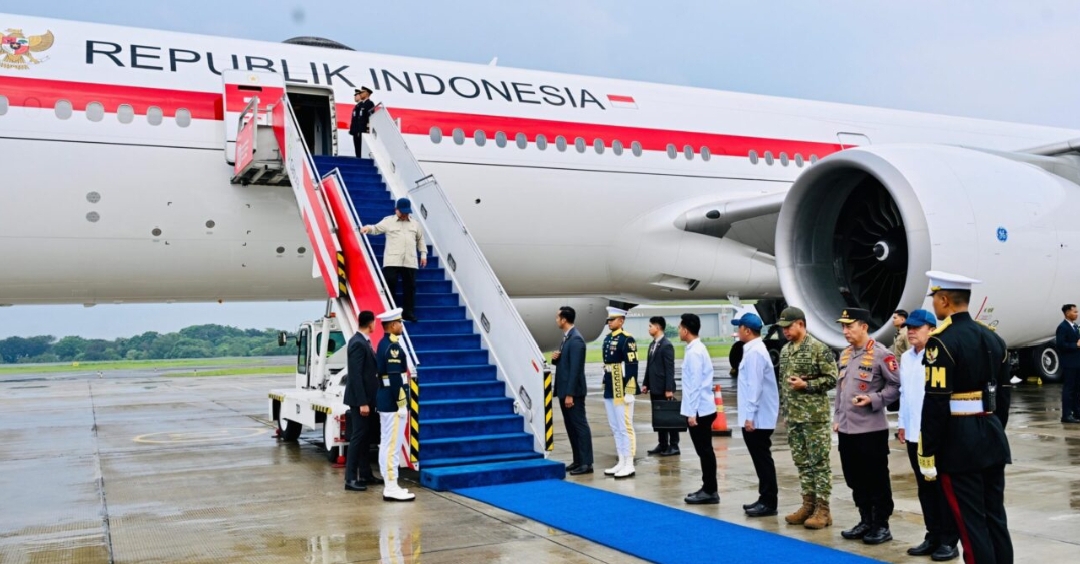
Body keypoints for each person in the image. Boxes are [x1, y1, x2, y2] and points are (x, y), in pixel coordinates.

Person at [919, 271, 1013, 563]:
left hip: (959, 442)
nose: (934, 303)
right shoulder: (993, 338)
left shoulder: (940, 342)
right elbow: (1005, 394)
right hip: (991, 432)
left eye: (935, 297)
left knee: (970, 523)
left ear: (945, 300)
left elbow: (936, 403)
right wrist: (994, 426)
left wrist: (928, 450)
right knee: (995, 516)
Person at [834, 307, 901, 545]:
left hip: (871, 430)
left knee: (876, 478)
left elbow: (895, 387)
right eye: (843, 326)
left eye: (849, 326)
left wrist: (873, 399)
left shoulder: (882, 354)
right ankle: (865, 519)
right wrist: (837, 418)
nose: (845, 331)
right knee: (854, 478)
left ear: (864, 327)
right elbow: (841, 391)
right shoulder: (845, 355)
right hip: (847, 429)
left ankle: (881, 524)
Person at [897, 309, 959, 561]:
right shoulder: (906, 358)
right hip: (914, 433)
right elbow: (904, 393)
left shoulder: (937, 356)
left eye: (916, 327)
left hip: (935, 434)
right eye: (908, 327)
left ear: (931, 329)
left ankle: (949, 540)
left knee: (943, 488)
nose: (910, 331)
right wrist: (902, 423)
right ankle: (932, 534)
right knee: (924, 488)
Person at [776, 306, 837, 530]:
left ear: (800, 324)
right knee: (802, 463)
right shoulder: (785, 351)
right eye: (782, 328)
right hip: (794, 418)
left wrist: (807, 385)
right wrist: (786, 412)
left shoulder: (818, 348)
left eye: (788, 327)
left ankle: (823, 509)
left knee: (819, 463)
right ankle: (808, 504)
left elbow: (832, 378)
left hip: (814, 418)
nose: (785, 332)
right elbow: (784, 385)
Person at [733, 312, 780, 517]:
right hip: (756, 416)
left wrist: (749, 417)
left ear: (747, 330)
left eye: (739, 327)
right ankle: (764, 497)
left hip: (758, 418)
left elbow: (755, 387)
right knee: (760, 459)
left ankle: (769, 501)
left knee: (762, 459)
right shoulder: (752, 350)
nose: (737, 331)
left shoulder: (755, 353)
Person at [361, 198, 427, 322]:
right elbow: (376, 228)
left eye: (407, 212)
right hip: (392, 260)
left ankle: (408, 313)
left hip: (410, 261)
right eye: (402, 212)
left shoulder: (415, 223)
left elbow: (420, 240)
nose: (405, 215)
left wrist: (423, 254)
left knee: (410, 287)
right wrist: (367, 228)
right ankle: (391, 313)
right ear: (396, 210)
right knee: (389, 284)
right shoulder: (389, 221)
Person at [374, 308, 415, 502]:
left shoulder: (383, 344)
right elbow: (395, 378)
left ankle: (391, 482)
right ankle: (391, 486)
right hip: (392, 402)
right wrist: (401, 403)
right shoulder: (393, 347)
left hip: (385, 400)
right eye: (399, 322)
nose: (401, 325)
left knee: (387, 444)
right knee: (392, 446)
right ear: (392, 326)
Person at [679, 313, 719, 504]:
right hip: (701, 407)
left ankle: (710, 490)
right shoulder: (695, 348)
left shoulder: (695, 352)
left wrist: (692, 412)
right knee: (704, 451)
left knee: (705, 451)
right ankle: (708, 487)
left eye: (680, 327)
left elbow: (694, 384)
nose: (679, 330)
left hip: (700, 410)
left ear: (685, 330)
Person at [344, 310, 383, 492]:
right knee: (358, 438)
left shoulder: (364, 342)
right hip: (361, 400)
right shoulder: (358, 343)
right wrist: (362, 402)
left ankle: (366, 474)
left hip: (368, 398)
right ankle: (350, 478)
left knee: (366, 437)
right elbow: (355, 376)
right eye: (374, 322)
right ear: (370, 323)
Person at [552, 306, 593, 475]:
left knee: (579, 426)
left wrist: (569, 394)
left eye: (557, 317)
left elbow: (576, 369)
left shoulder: (576, 339)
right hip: (565, 391)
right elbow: (567, 364)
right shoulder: (567, 338)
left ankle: (586, 463)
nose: (556, 320)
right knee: (570, 427)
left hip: (573, 393)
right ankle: (578, 460)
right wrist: (556, 359)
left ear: (564, 319)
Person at [601, 307, 640, 478]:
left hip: (621, 383)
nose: (609, 322)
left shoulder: (627, 339)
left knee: (625, 426)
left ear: (621, 321)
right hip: (611, 383)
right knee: (615, 427)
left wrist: (629, 390)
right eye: (609, 320)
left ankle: (629, 463)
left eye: (613, 319)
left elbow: (632, 365)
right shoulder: (608, 338)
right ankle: (622, 460)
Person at [642, 316, 679, 456]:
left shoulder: (666, 345)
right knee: (659, 418)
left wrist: (669, 389)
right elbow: (649, 366)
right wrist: (646, 383)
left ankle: (674, 445)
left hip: (664, 389)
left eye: (650, 326)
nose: (649, 328)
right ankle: (662, 444)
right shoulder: (652, 345)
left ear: (658, 327)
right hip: (655, 388)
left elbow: (670, 369)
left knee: (670, 417)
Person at [1055, 303, 1080, 424]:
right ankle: (1066, 415)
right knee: (1069, 390)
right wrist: (1075, 345)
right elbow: (1060, 344)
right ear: (1067, 313)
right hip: (1070, 363)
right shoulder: (1063, 327)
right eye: (1074, 312)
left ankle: (1077, 412)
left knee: (1077, 389)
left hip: (1077, 363)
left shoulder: (1075, 326)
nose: (1077, 314)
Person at [349, 87, 374, 158]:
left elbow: (369, 118)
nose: (360, 94)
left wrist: (366, 130)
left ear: (367, 93)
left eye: (362, 92)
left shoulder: (369, 103)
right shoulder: (360, 105)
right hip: (357, 130)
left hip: (363, 131)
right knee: (357, 149)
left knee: (360, 149)